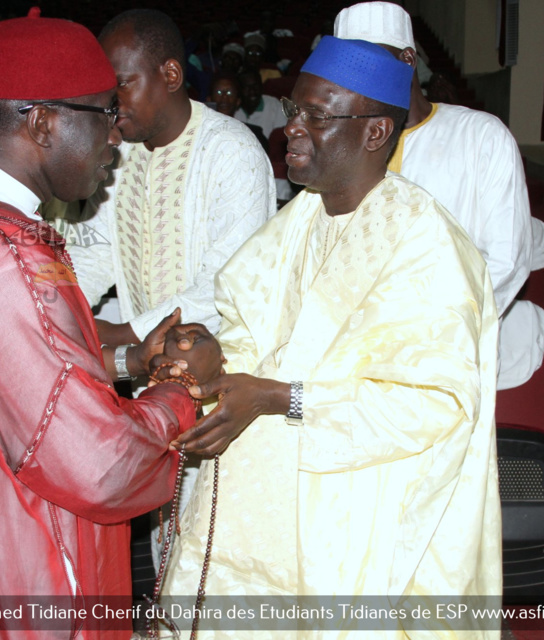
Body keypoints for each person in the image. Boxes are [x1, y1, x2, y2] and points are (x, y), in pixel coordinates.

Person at [0, 10, 218, 632]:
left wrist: (126, 362)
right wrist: (179, 392)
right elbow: (99, 463)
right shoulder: (7, 262)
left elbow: (1, 376)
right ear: (43, 121)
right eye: (104, 114)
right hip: (25, 575)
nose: (116, 137)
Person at [163, 37, 502, 637]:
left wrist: (280, 398)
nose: (290, 128)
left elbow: (436, 404)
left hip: (355, 524)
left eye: (314, 117)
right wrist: (211, 360)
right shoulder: (299, 219)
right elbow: (250, 331)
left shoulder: (426, 245)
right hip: (263, 511)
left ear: (374, 133)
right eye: (293, 111)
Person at [335, 1, 544, 390]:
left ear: (407, 60)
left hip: (453, 346)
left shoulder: (481, 136)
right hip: (362, 351)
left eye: (365, 63)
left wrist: (423, 332)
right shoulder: (345, 146)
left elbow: (505, 261)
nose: (353, 79)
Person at [64, 8, 275, 351]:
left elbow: (224, 286)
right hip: (145, 363)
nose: (111, 105)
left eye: (122, 85)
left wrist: (123, 335)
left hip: (224, 363)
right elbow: (98, 251)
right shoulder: (117, 151)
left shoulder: (232, 151)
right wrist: (58, 310)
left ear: (172, 75)